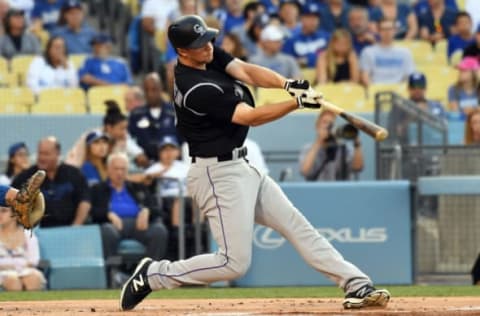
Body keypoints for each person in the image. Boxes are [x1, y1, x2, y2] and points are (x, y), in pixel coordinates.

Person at [119, 14, 390, 311]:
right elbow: (249, 116)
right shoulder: (195, 87)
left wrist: (288, 84)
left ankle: (356, 283)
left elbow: (246, 71)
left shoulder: (208, 55)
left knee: (298, 226)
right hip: (216, 174)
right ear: (183, 51)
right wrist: (296, 103)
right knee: (233, 264)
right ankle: (154, 275)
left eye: (208, 38)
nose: (209, 46)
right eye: (200, 43)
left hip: (242, 166)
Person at [90, 152, 168, 260]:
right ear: (108, 170)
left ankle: (151, 271)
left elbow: (158, 211)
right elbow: (93, 212)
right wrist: (108, 214)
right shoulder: (98, 189)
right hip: (113, 226)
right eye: (116, 169)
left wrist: (146, 211)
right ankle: (113, 272)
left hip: (138, 225)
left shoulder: (138, 187)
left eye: (123, 169)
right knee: (107, 231)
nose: (119, 173)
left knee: (159, 230)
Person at [12, 137, 90, 227]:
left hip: (70, 229)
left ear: (57, 154)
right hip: (36, 233)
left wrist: (76, 225)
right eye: (40, 153)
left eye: (46, 154)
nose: (42, 158)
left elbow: (84, 201)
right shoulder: (24, 178)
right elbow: (12, 205)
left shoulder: (74, 174)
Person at [66, 101, 149, 169]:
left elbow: (140, 156)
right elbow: (74, 164)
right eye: (121, 128)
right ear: (109, 128)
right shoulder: (89, 137)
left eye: (126, 128)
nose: (125, 132)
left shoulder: (123, 138)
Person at [299, 110, 363, 181]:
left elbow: (358, 168)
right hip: (316, 190)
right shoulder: (308, 148)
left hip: (339, 190)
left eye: (331, 123)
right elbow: (304, 171)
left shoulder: (343, 148)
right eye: (324, 122)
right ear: (317, 126)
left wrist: (356, 142)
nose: (328, 126)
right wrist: (318, 142)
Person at [128, 73, 179, 161]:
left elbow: (185, 141)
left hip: (173, 163)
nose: (150, 94)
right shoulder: (136, 115)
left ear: (161, 89)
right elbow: (127, 138)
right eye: (146, 90)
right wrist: (137, 153)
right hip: (144, 164)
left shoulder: (175, 112)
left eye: (154, 89)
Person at [388, 72, 447, 144]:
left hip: (430, 147)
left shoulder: (436, 106)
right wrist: (414, 114)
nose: (417, 90)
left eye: (420, 86)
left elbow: (443, 130)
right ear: (408, 88)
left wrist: (427, 113)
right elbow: (395, 133)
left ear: (425, 88)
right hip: (407, 149)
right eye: (414, 87)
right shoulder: (399, 107)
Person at [0, 206, 45, 291]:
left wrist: (15, 266)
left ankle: (34, 304)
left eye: (4, 211)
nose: (0, 214)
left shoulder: (28, 234)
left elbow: (33, 260)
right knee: (12, 280)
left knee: (33, 278)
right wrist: (15, 265)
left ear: (16, 214)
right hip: (2, 272)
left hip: (26, 270)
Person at [360, 18, 415, 86]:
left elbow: (409, 76)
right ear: (378, 31)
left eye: (390, 29)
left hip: (399, 91)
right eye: (384, 29)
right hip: (376, 90)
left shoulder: (405, 52)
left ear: (395, 30)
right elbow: (365, 76)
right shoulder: (368, 52)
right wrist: (374, 89)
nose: (387, 32)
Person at [283, 3, 330, 68]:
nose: (313, 21)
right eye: (309, 17)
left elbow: (334, 57)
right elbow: (287, 64)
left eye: (315, 17)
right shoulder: (291, 41)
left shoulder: (326, 37)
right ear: (301, 19)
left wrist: (306, 60)